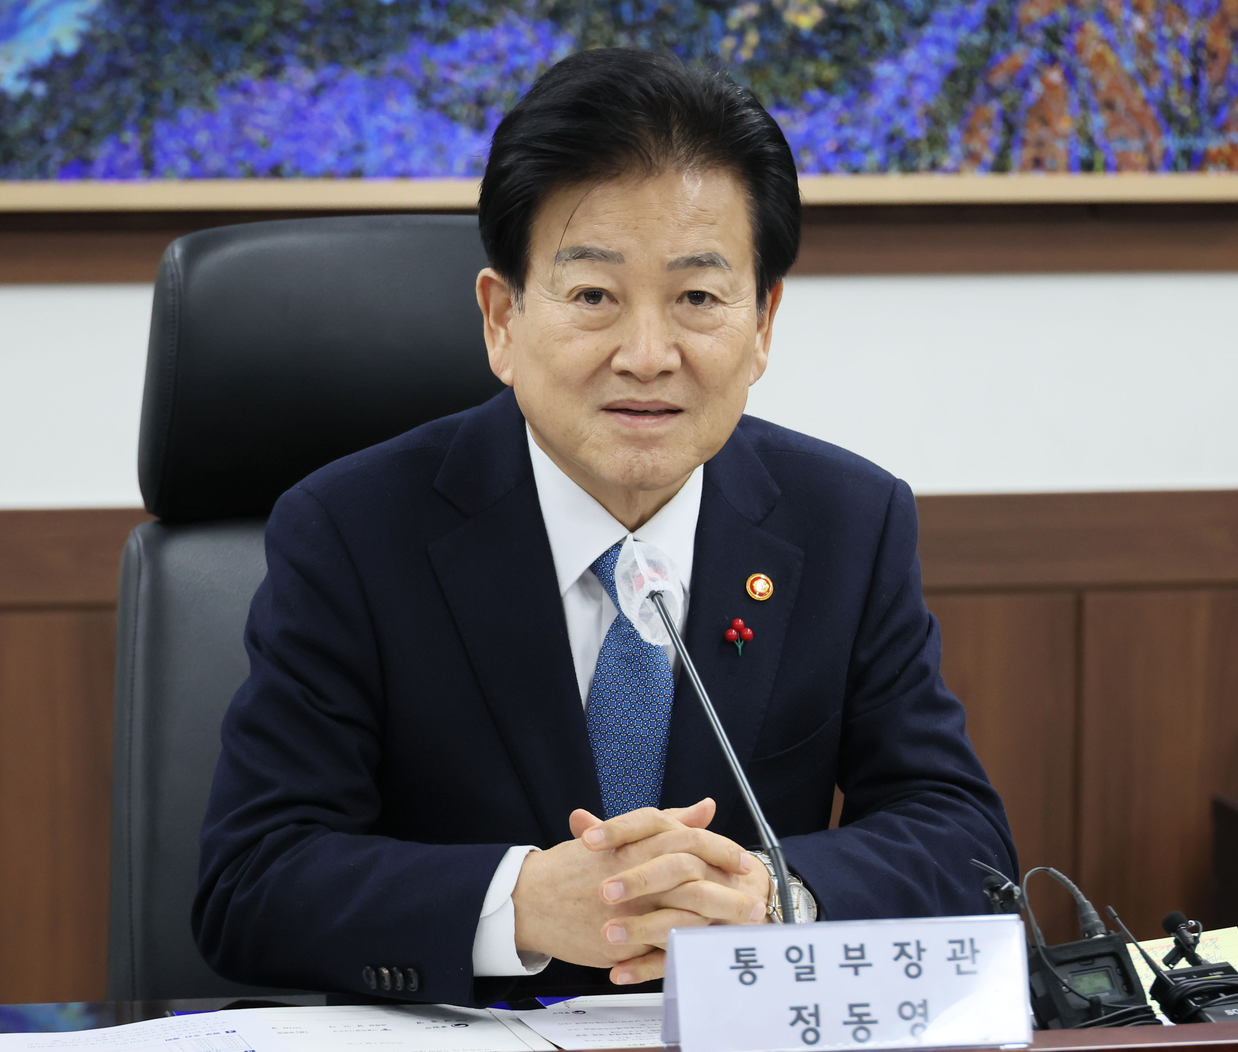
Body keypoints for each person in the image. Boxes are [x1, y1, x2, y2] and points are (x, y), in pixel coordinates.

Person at [193, 47, 1016, 1009]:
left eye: (699, 298)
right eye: (593, 296)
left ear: (762, 325)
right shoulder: (351, 530)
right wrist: (521, 902)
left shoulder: (848, 521)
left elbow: (962, 839)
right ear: (502, 319)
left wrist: (777, 896)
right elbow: (252, 880)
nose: (648, 354)